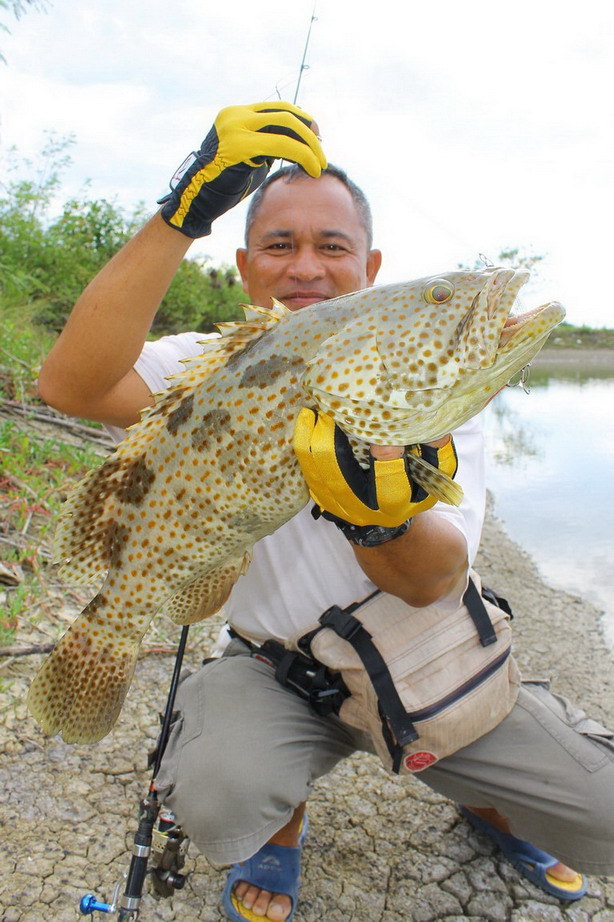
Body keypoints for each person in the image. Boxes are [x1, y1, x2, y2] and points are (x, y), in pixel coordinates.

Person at [38, 102, 614, 922]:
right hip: (278, 669)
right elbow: (70, 387)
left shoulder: (437, 401)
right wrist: (184, 211)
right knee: (215, 789)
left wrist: (378, 516)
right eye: (280, 244)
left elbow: (431, 581)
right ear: (244, 267)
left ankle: (490, 806)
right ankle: (280, 828)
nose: (306, 265)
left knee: (607, 815)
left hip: (431, 659)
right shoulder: (202, 365)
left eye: (332, 246)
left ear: (370, 266)